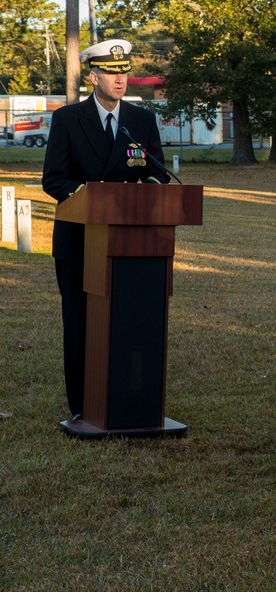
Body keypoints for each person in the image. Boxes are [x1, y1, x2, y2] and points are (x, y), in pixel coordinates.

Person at [42, 39, 165, 419]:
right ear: (93, 77)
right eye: (111, 73)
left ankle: (125, 398)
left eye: (124, 72)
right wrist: (87, 199)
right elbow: (54, 179)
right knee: (80, 323)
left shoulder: (141, 121)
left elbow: (156, 173)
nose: (120, 79)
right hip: (80, 241)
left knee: (128, 321)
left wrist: (151, 194)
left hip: (129, 244)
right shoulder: (67, 119)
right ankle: (82, 405)